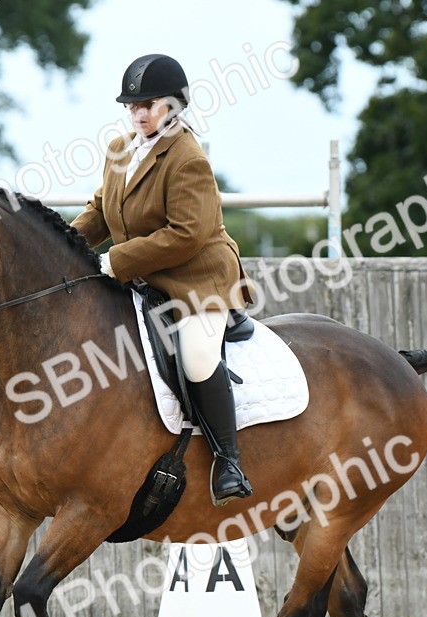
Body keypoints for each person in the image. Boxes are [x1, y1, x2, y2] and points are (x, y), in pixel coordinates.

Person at [71, 53, 255, 506]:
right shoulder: (120, 151)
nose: (137, 112)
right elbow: (100, 212)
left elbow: (187, 234)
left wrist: (116, 260)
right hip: (146, 279)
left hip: (199, 282)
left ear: (174, 105)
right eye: (132, 105)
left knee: (194, 356)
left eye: (147, 104)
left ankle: (229, 461)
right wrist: (63, 247)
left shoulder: (188, 157)